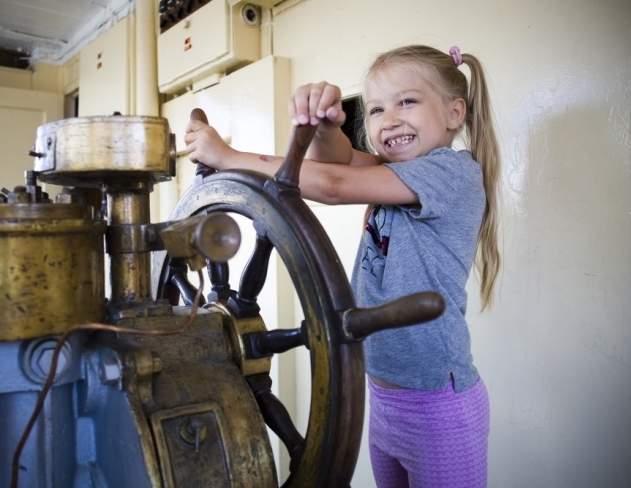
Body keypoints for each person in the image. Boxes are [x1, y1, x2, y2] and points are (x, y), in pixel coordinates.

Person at [184, 44, 501, 488]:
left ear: (454, 112)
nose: (388, 119)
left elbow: (333, 184)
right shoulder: (396, 169)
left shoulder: (450, 173)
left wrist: (228, 157)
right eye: (374, 109)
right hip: (382, 395)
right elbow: (340, 160)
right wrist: (325, 125)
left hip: (438, 408)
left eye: (406, 101)